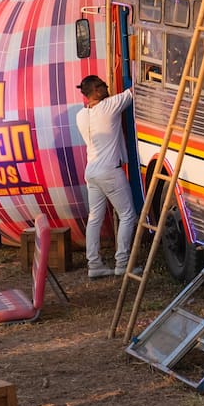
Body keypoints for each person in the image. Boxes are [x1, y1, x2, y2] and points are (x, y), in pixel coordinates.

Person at [75, 75, 138, 279]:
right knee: (127, 215)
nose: (107, 87)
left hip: (91, 171)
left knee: (94, 219)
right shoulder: (109, 106)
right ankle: (123, 263)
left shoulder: (80, 116)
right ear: (96, 90)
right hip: (110, 171)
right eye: (103, 85)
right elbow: (135, 90)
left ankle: (94, 264)